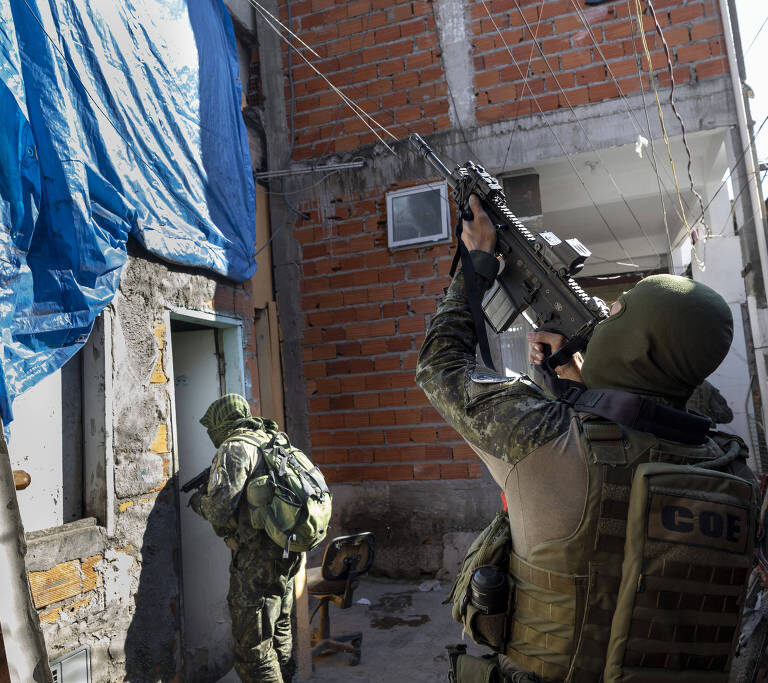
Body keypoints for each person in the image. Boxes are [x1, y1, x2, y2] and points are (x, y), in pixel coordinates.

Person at [416, 194, 759, 682]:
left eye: (615, 313)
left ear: (636, 345)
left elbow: (441, 365)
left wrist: (475, 263)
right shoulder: (731, 470)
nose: (599, 324)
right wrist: (586, 387)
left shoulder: (544, 436)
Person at [190, 394, 300, 682]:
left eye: (211, 427)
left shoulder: (235, 447)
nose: (211, 434)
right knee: (280, 631)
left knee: (254, 654)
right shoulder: (270, 438)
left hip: (257, 561)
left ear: (222, 424)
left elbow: (218, 508)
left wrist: (198, 500)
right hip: (287, 550)